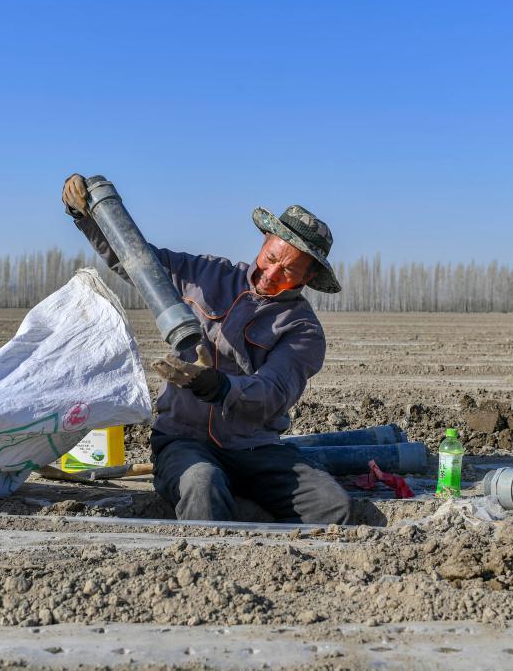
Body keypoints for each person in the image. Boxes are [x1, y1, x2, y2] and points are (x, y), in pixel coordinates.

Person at [62, 174, 351, 524]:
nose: (272, 273)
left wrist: (219, 386)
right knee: (202, 484)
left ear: (307, 279)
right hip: (184, 441)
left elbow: (274, 392)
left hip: (254, 447)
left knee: (333, 505)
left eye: (288, 270)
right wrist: (88, 216)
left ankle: (246, 513)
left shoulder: (302, 329)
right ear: (264, 241)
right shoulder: (205, 273)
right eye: (271, 257)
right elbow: (137, 262)